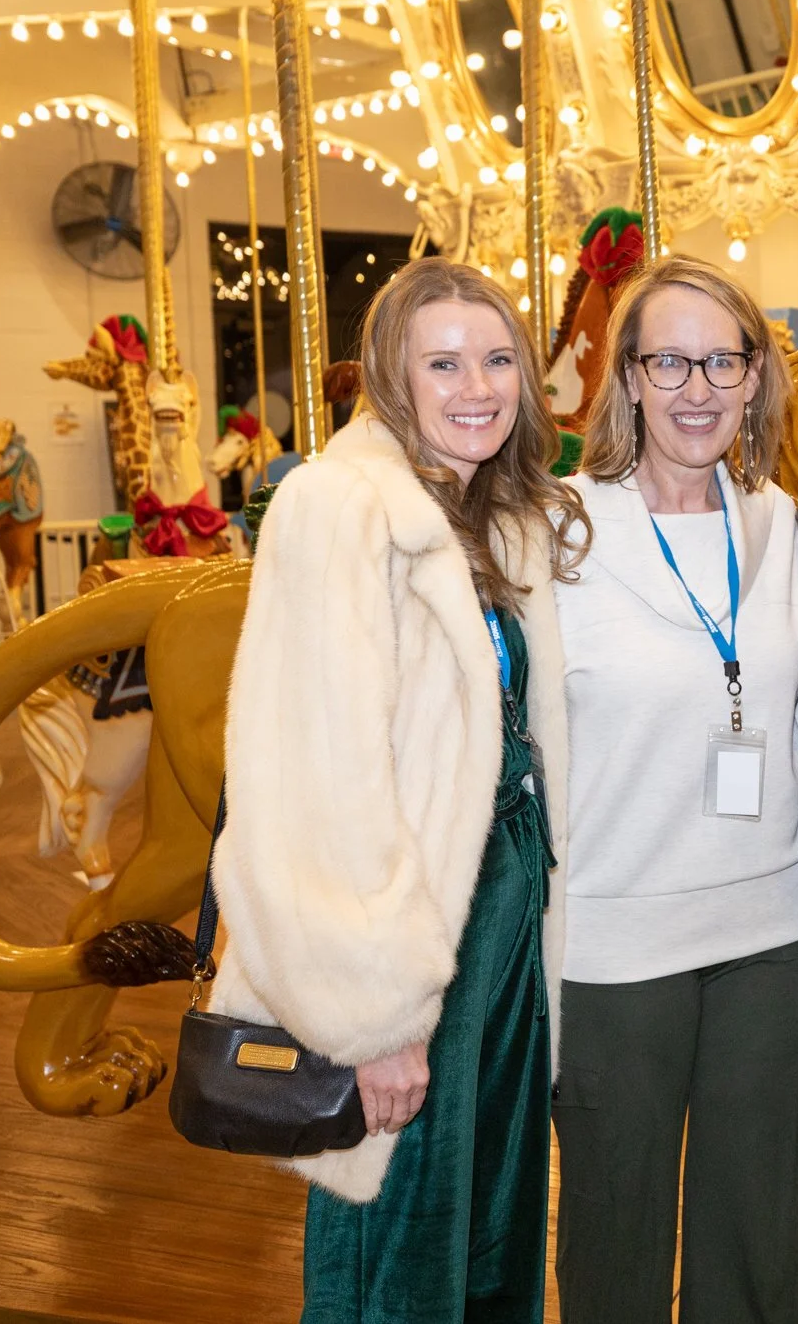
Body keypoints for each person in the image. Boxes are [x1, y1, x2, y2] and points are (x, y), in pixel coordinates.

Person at [209, 256, 588, 1321]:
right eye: (444, 363)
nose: (478, 386)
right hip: (410, 922)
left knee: (494, 1215)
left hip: (506, 895)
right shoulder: (338, 508)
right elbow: (312, 777)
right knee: (400, 1238)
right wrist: (373, 1018)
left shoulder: (495, 515)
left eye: (498, 359)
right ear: (391, 376)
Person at [550, 254, 798, 1324]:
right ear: (626, 378)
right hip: (615, 944)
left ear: (756, 377)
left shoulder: (781, 523)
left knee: (758, 1241)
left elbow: (796, 709)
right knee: (613, 1237)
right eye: (669, 361)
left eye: (722, 360)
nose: (697, 387)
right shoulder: (559, 529)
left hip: (766, 931)